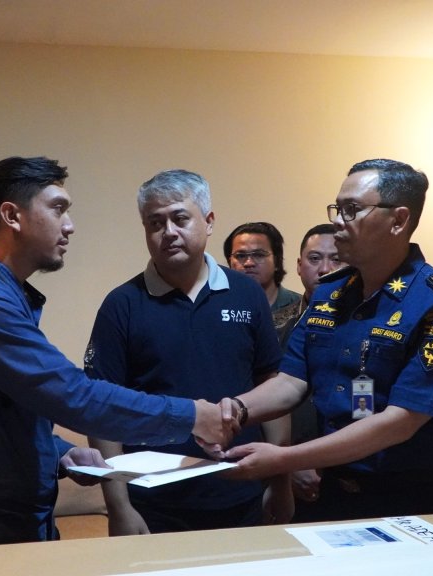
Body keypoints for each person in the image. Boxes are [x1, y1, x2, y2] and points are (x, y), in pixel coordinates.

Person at [0, 156, 232, 550]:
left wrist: (61, 453)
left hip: (10, 524)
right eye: (58, 208)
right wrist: (192, 416)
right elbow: (74, 395)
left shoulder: (0, 288)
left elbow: (5, 410)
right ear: (12, 216)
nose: (69, 225)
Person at [222, 158, 433, 521]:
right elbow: (290, 382)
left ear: (398, 220)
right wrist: (232, 410)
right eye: (337, 208)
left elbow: (399, 422)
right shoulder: (329, 295)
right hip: (333, 490)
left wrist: (284, 459)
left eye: (352, 209)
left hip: (415, 499)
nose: (337, 221)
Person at [84, 170, 291, 535]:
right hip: (154, 504)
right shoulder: (122, 305)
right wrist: (118, 506)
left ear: (208, 221)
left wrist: (280, 480)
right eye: (155, 223)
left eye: (180, 218)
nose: (168, 232)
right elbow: (102, 409)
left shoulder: (247, 293)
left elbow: (271, 387)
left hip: (241, 492)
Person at [280, 224, 345, 521]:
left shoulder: (370, 322)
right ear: (299, 265)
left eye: (336, 259)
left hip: (354, 473)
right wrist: (287, 467)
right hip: (286, 474)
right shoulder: (275, 326)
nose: (325, 269)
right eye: (315, 259)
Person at [223, 222, 301, 329]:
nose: (249, 263)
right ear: (230, 262)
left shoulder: (301, 306)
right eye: (240, 256)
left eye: (259, 255)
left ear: (277, 261)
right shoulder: (219, 306)